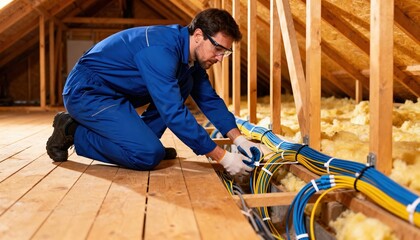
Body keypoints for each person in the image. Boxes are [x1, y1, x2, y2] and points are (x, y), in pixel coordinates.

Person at [46, 8, 261, 176]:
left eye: (226, 52)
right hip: (88, 91)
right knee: (147, 155)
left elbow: (209, 99)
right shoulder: (161, 51)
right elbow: (173, 113)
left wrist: (239, 140)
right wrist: (222, 157)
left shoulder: (189, 58)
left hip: (115, 92)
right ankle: (73, 131)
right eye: (218, 49)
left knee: (184, 84)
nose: (220, 58)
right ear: (198, 35)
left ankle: (144, 141)